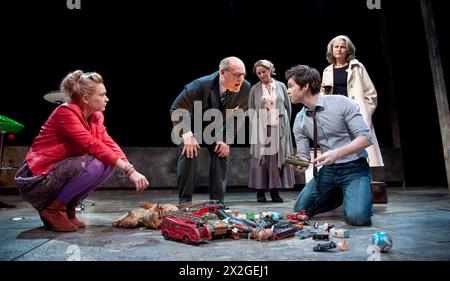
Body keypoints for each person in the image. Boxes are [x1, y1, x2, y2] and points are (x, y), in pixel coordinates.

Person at [14, 70, 149, 232]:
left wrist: (130, 169)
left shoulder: (96, 116)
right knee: (96, 164)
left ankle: (69, 207)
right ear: (85, 99)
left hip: (57, 172)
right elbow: (92, 144)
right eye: (102, 95)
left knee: (110, 164)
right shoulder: (65, 112)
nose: (107, 99)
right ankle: (54, 209)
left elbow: (108, 143)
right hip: (36, 178)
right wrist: (128, 170)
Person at [286, 64, 373, 226]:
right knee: (300, 210)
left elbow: (366, 138)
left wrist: (337, 153)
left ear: (305, 86)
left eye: (291, 86)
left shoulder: (341, 103)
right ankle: (344, 193)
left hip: (354, 167)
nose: (288, 90)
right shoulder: (299, 120)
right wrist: (301, 162)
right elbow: (303, 155)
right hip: (328, 172)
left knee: (357, 218)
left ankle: (359, 192)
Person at [170, 56, 251, 204]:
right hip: (192, 126)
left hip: (216, 128)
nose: (241, 79)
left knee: (221, 152)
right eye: (237, 75)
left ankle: (217, 203)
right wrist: (188, 135)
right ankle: (185, 202)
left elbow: (238, 115)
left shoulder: (245, 88)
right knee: (190, 152)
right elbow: (177, 108)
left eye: (243, 74)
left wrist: (226, 139)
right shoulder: (201, 85)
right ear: (222, 72)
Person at [321, 35, 383, 167]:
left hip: (354, 111)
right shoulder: (327, 70)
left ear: (348, 50)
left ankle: (363, 174)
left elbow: (371, 93)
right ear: (331, 50)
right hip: (336, 112)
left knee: (359, 143)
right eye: (336, 47)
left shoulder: (357, 67)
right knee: (340, 143)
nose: (339, 49)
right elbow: (324, 94)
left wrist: (366, 111)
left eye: (342, 47)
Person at [248, 60, 294, 203]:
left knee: (276, 160)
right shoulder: (255, 89)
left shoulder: (281, 86)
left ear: (270, 70)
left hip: (278, 128)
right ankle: (260, 192)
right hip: (262, 128)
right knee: (260, 160)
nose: (262, 75)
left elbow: (288, 107)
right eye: (259, 73)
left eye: (264, 72)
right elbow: (251, 109)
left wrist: (284, 125)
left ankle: (275, 192)